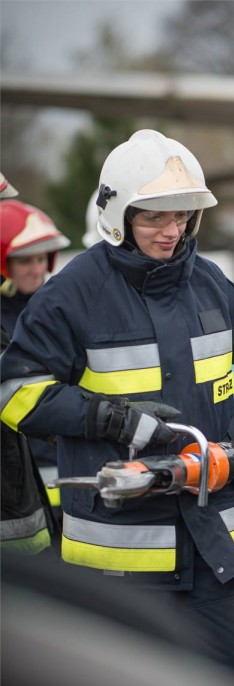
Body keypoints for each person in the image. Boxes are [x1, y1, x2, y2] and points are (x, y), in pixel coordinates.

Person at [0, 129, 234, 686]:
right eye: (155, 217)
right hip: (120, 557)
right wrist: (113, 419)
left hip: (213, 547)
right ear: (117, 214)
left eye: (184, 217)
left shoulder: (209, 282)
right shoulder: (70, 295)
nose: (172, 232)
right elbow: (16, 392)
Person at [0, 199, 71, 529]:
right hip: (23, 479)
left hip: (69, 464)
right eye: (25, 260)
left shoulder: (57, 310)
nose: (36, 268)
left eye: (41, 258)